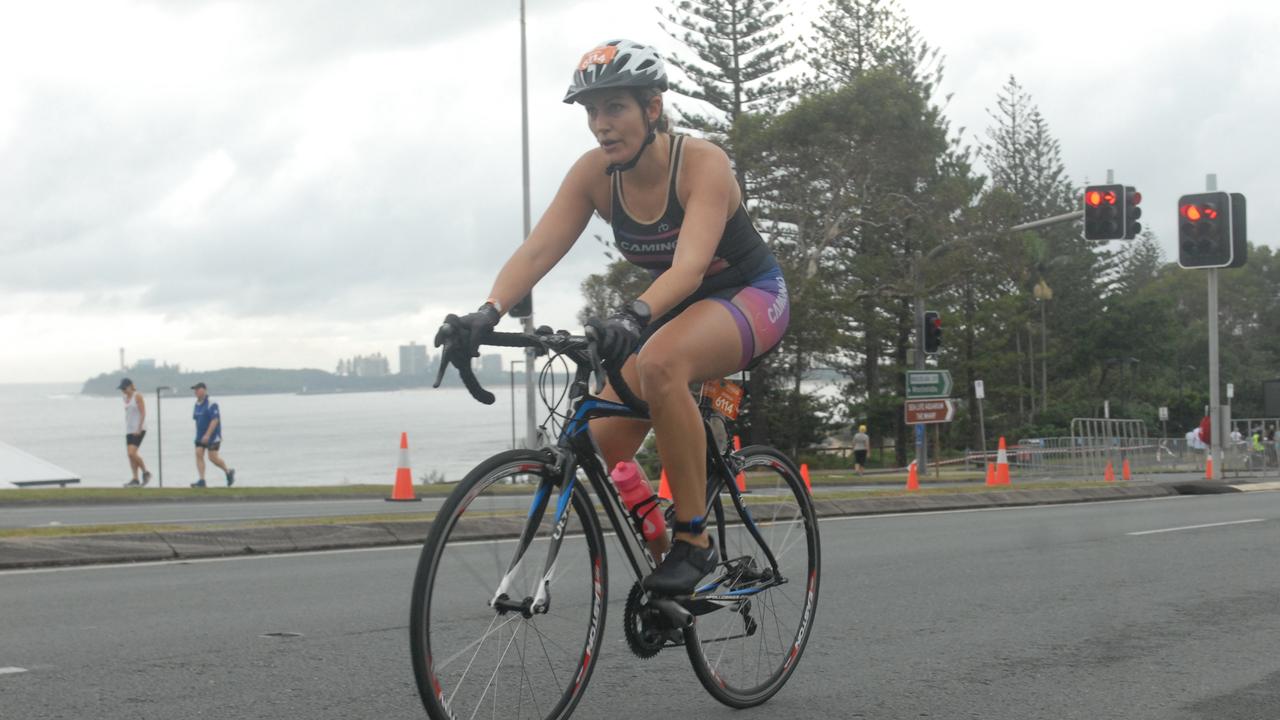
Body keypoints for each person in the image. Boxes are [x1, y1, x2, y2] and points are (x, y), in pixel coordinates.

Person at [435, 40, 789, 596]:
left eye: (615, 108)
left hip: (748, 294)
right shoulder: (594, 175)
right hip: (668, 308)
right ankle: (660, 532)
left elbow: (692, 267)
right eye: (592, 112)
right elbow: (535, 252)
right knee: (600, 443)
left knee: (662, 362)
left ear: (652, 107)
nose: (601, 125)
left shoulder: (701, 163)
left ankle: (694, 542)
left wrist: (633, 313)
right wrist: (487, 311)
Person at [191, 382, 236, 488]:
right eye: (195, 390)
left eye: (198, 389)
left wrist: (207, 435)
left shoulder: (211, 402)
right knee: (198, 453)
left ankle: (228, 471)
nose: (196, 392)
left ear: (204, 390)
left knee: (212, 457)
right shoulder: (196, 404)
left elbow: (215, 420)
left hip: (213, 435)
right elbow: (197, 420)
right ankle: (202, 480)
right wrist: (199, 436)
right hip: (200, 435)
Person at [119, 378, 152, 487]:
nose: (123, 391)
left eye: (124, 388)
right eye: (121, 389)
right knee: (130, 456)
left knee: (132, 453)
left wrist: (139, 428)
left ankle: (146, 472)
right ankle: (135, 478)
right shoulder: (124, 397)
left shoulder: (137, 396)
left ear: (130, 387)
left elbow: (143, 413)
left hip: (139, 429)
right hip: (129, 429)